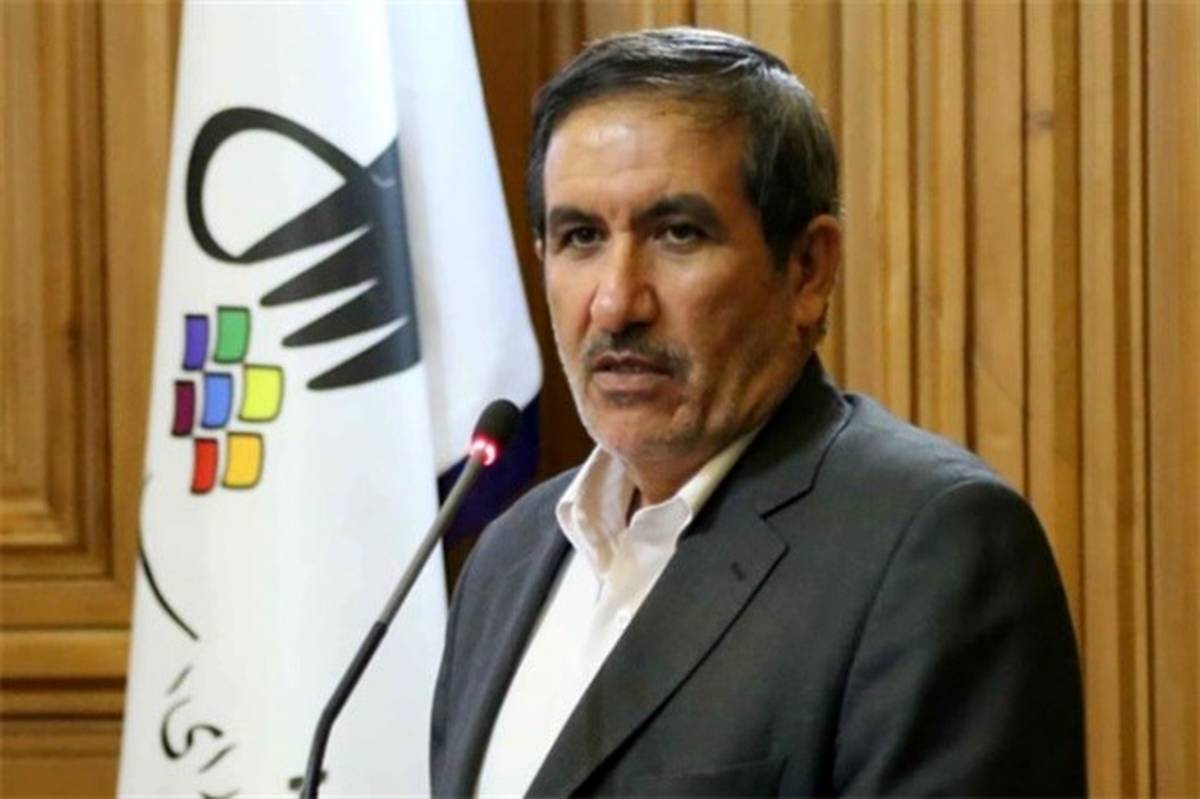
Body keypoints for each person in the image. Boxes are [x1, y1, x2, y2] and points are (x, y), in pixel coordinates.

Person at [430, 27, 1085, 797]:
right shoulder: (508, 558)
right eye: (581, 237)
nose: (615, 303)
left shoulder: (931, 551)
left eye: (677, 234)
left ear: (807, 270)